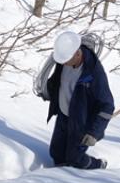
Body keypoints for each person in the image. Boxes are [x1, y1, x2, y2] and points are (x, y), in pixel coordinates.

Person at [44, 31, 115, 170]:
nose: (63, 63)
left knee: (75, 159)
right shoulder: (65, 60)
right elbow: (58, 81)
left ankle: (99, 165)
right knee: (56, 153)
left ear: (77, 53)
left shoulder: (94, 73)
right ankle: (59, 177)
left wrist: (94, 133)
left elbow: (107, 105)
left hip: (81, 121)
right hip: (64, 115)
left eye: (65, 60)